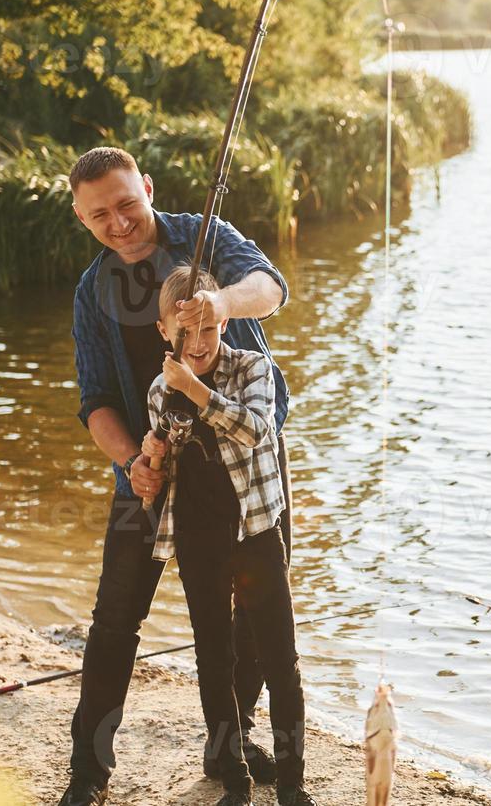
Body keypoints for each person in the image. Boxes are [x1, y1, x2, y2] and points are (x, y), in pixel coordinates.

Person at [59, 147, 292, 806]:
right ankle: (88, 772)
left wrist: (219, 300)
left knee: (254, 607)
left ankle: (233, 740)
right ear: (82, 218)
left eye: (127, 203)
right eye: (99, 214)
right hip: (152, 474)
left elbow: (271, 286)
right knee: (113, 623)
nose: (120, 222)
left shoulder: (205, 235)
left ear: (149, 188)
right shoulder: (90, 292)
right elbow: (95, 400)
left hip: (246, 466)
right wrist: (132, 461)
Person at [142, 266, 312, 806]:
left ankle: (291, 785)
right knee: (214, 660)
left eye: (209, 328)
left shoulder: (254, 368)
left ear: (221, 321)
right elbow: (159, 484)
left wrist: (194, 391)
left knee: (279, 660)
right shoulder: (159, 392)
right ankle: (234, 783)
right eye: (184, 332)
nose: (199, 343)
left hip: (257, 534)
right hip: (199, 540)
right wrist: (150, 460)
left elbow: (257, 430)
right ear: (164, 332)